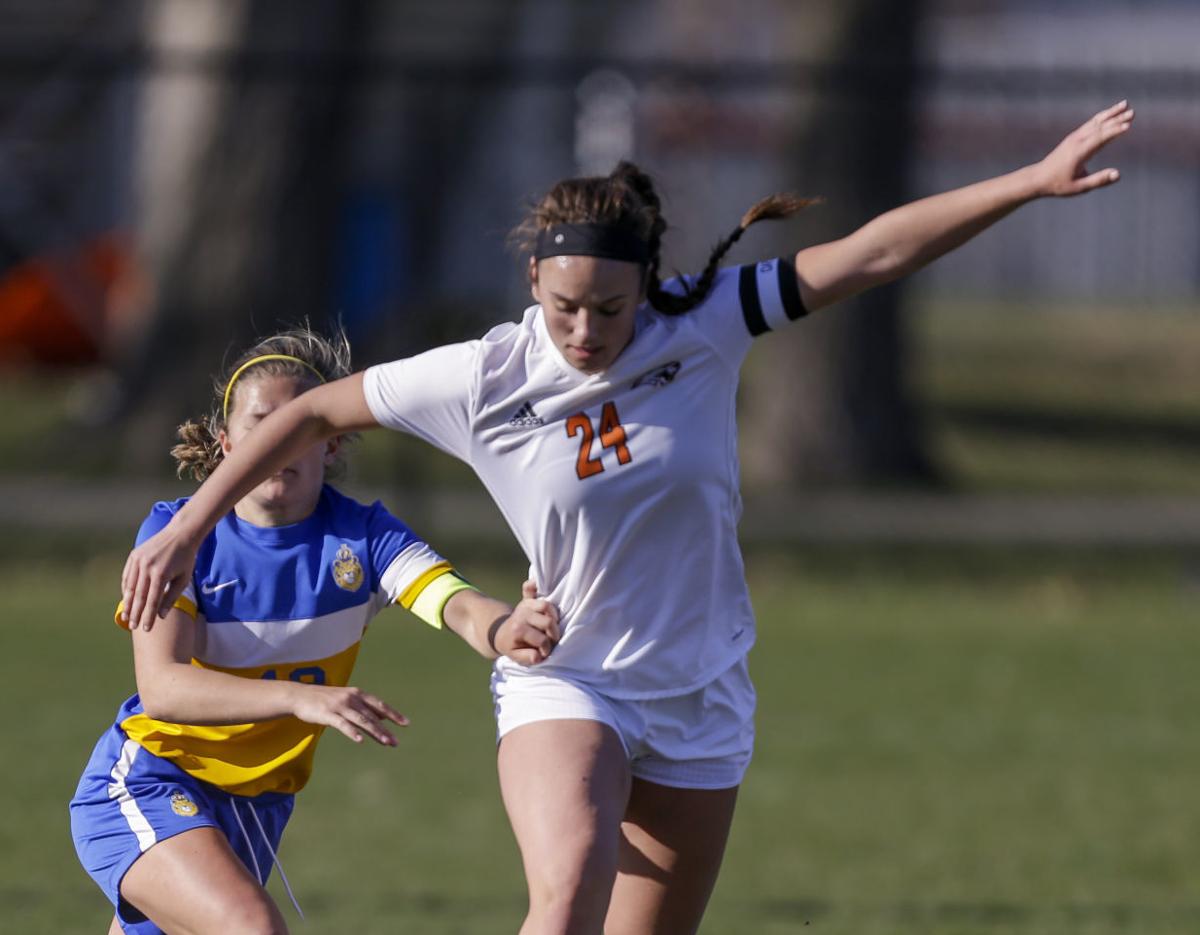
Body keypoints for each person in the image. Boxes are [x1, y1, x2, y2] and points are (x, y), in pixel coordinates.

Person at [118, 102, 1134, 934]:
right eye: (565, 305)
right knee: (566, 903)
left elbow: (870, 253)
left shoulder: (708, 322)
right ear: (533, 280)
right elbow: (306, 413)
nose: (585, 329)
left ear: (647, 283)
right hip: (569, 674)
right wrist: (187, 527)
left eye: (610, 308)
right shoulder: (484, 377)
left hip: (701, 690)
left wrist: (1026, 182)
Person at [71, 327, 559, 935]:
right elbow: (163, 688)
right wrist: (302, 698)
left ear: (330, 444)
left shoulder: (364, 536)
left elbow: (454, 603)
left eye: (298, 428)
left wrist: (506, 627)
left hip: (256, 810)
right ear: (228, 445)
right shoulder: (178, 538)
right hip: (151, 780)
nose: (280, 444)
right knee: (253, 928)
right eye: (262, 426)